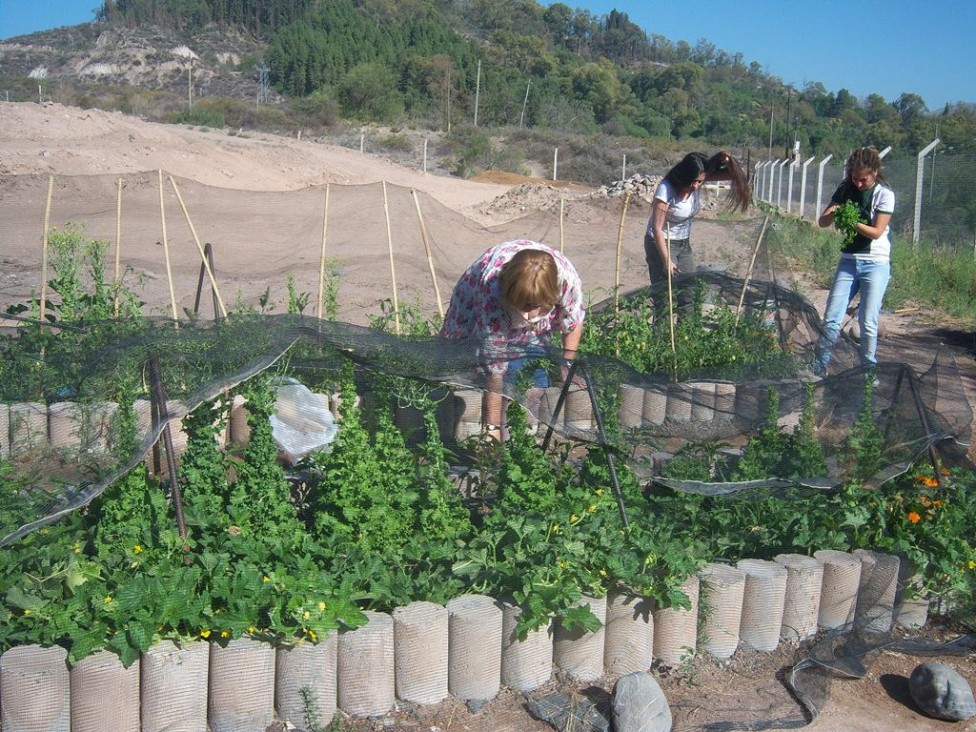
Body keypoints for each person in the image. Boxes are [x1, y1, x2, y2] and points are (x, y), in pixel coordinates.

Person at [440, 240, 585, 440]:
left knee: (532, 376)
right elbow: (495, 369)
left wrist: (566, 363)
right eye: (524, 306)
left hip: (536, 292)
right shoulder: (491, 293)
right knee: (476, 365)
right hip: (478, 295)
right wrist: (493, 430)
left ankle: (525, 435)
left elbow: (573, 321)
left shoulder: (566, 282)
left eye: (535, 305)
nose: (529, 315)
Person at [813, 146, 895, 376]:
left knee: (868, 322)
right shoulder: (845, 189)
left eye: (863, 180)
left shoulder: (884, 194)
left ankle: (867, 371)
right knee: (831, 317)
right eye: (854, 178)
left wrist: (852, 224)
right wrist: (834, 213)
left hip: (875, 263)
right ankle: (818, 368)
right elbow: (822, 222)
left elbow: (877, 232)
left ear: (875, 172)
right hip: (848, 262)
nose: (858, 183)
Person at [643, 151, 751, 287]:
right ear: (684, 176)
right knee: (665, 293)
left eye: (700, 181)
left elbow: (733, 175)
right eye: (692, 181)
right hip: (661, 243)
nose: (695, 185)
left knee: (689, 289)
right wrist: (666, 260)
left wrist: (728, 160)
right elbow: (657, 228)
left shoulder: (699, 179)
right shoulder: (666, 189)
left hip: (683, 243)